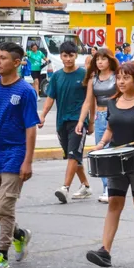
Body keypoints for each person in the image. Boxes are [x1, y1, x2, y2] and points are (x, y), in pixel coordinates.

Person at [84, 62, 134, 267]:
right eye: (119, 78)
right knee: (114, 203)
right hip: (116, 161)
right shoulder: (112, 102)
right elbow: (110, 129)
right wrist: (100, 145)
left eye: (126, 78)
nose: (121, 82)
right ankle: (105, 251)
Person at [0, 42, 37, 268]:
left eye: (3, 58)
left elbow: (31, 128)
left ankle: (2, 253)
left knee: (6, 206)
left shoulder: (25, 91)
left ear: (17, 62)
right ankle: (19, 234)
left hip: (15, 154)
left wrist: (28, 161)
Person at [40, 41, 92, 203]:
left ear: (76, 55)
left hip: (78, 121)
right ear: (60, 56)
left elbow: (90, 100)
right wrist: (42, 115)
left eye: (71, 55)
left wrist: (89, 123)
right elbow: (50, 99)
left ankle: (65, 187)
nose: (68, 59)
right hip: (61, 122)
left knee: (72, 155)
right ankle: (86, 186)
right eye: (65, 55)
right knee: (73, 156)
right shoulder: (56, 76)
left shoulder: (84, 75)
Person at [76, 48, 119, 203]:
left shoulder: (117, 76)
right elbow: (88, 101)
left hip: (115, 116)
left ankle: (112, 188)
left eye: (103, 59)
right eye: (98, 59)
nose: (100, 62)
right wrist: (83, 120)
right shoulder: (93, 78)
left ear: (110, 60)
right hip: (100, 117)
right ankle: (107, 187)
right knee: (100, 154)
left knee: (111, 152)